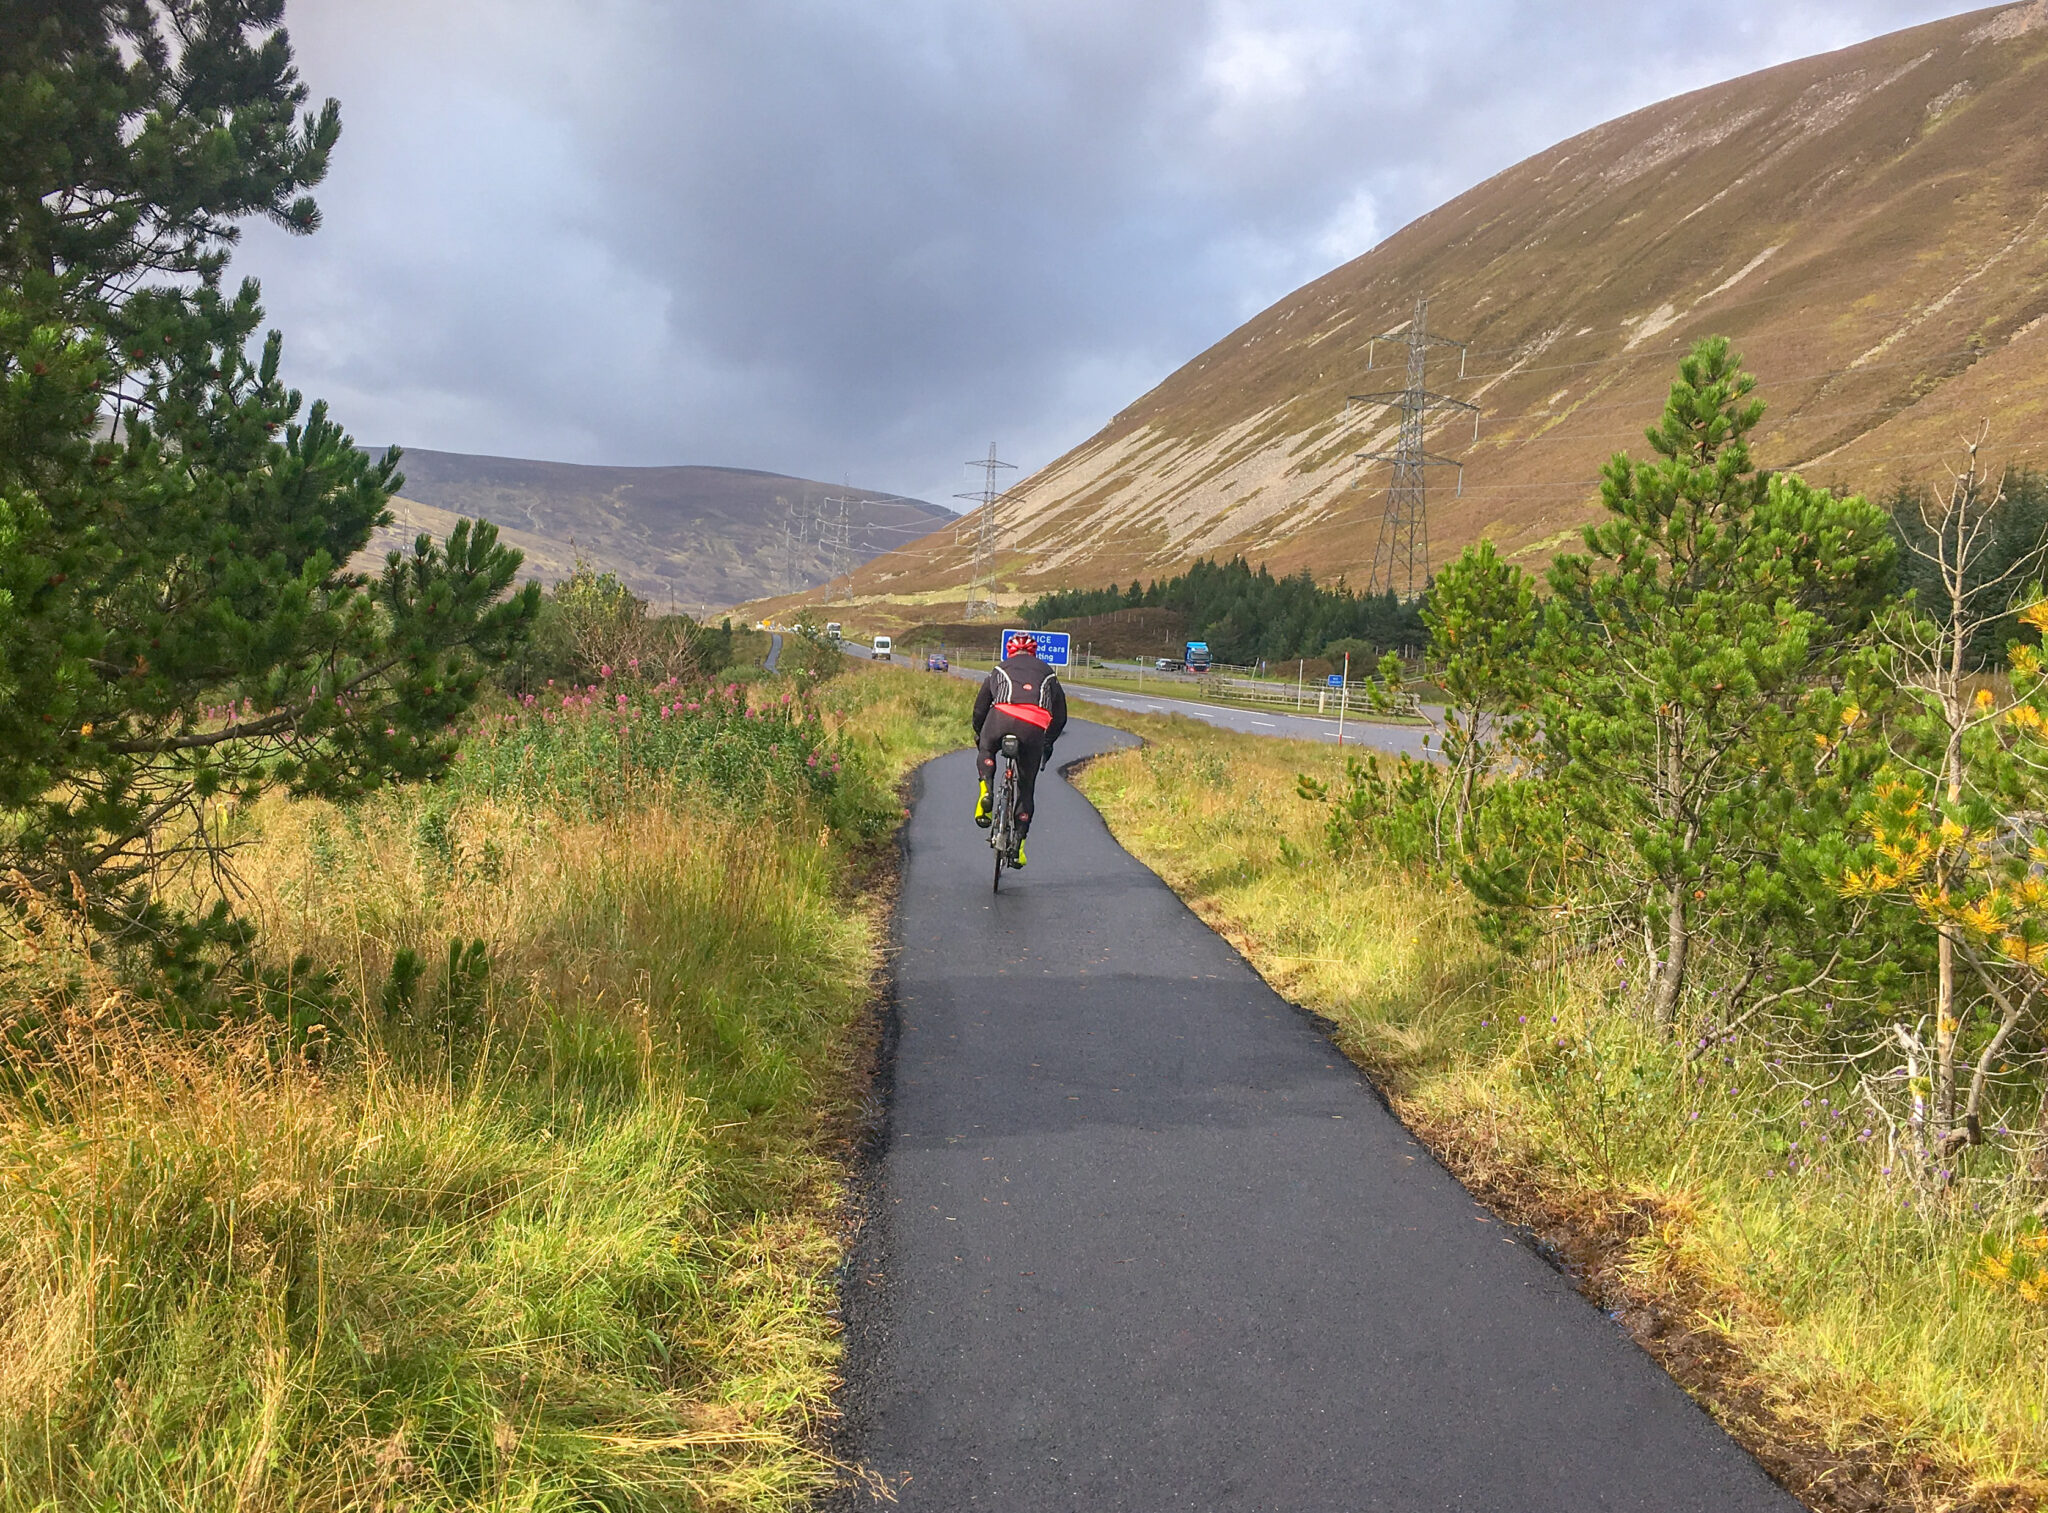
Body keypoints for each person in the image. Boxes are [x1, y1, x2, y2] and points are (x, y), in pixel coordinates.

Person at [971, 631, 1068, 867]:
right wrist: (1047, 743)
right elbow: (1061, 717)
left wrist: (980, 736)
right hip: (1034, 726)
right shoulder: (1049, 674)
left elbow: (980, 709)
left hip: (1002, 717)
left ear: (1010, 651)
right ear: (1034, 652)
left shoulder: (999, 669)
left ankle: (986, 790)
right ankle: (1019, 847)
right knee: (1026, 788)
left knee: (986, 748)